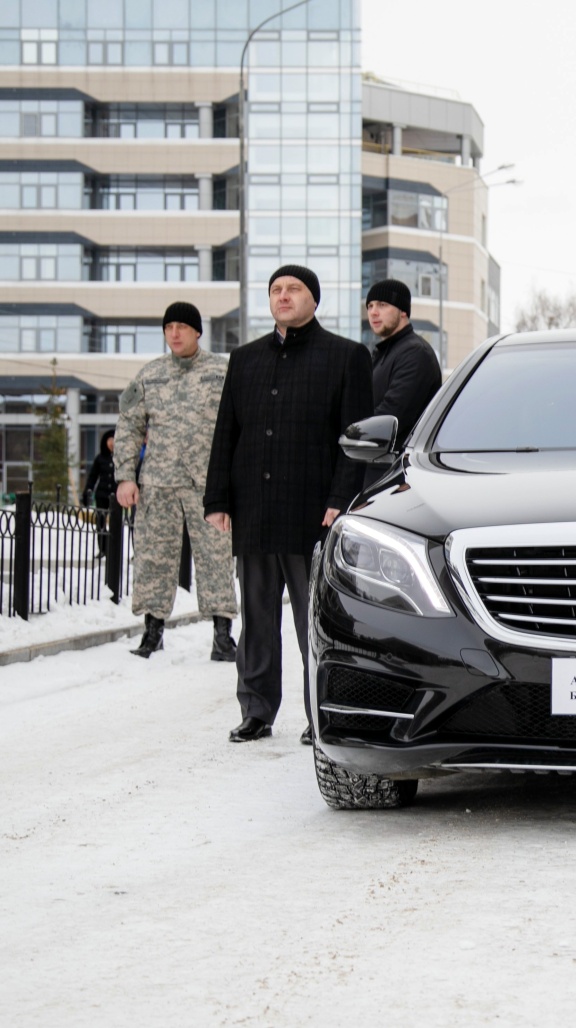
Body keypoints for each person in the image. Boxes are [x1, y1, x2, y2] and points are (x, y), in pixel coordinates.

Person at [204, 266, 373, 744]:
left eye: (293, 289)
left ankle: (320, 712)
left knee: (313, 621)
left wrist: (341, 499)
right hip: (255, 510)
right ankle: (256, 710)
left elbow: (355, 441)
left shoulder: (345, 357)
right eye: (276, 290)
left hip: (312, 512)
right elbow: (226, 435)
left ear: (313, 300)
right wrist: (217, 498)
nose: (283, 296)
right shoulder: (245, 359)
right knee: (257, 620)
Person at [114, 303, 238, 660]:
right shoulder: (149, 375)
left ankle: (222, 635)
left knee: (216, 559)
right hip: (158, 483)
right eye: (169, 327)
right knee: (154, 559)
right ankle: (152, 633)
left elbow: (241, 424)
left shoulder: (222, 372)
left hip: (208, 486)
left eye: (182, 326)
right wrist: (125, 477)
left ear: (198, 332)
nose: (175, 333)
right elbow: (128, 426)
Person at [364, 279, 441, 487]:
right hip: (380, 473)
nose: (373, 312)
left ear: (403, 311)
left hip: (398, 478)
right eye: (370, 306)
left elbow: (390, 417)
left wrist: (351, 431)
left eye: (382, 305)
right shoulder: (382, 354)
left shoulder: (415, 353)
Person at [81, 428, 118, 557]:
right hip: (102, 495)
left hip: (116, 496)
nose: (112, 443)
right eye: (110, 440)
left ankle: (114, 549)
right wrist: (87, 492)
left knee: (116, 523)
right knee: (100, 522)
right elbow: (92, 477)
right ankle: (103, 549)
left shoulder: (120, 458)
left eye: (114, 439)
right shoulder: (100, 458)